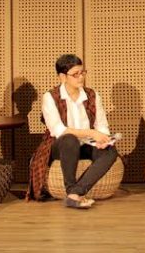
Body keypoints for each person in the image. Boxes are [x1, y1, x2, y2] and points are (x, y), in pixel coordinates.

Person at [34, 54, 119, 209]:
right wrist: (91, 133)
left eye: (82, 72)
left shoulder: (92, 95)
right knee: (69, 139)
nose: (81, 77)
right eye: (75, 74)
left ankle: (75, 193)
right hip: (60, 145)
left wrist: (103, 139)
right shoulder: (50, 97)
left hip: (86, 144)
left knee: (110, 151)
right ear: (62, 77)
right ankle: (71, 188)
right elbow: (59, 130)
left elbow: (101, 126)